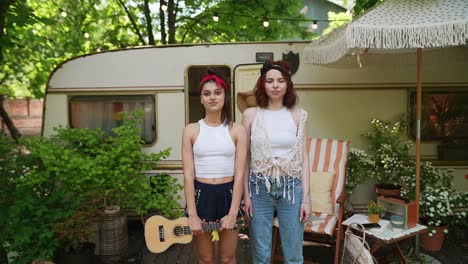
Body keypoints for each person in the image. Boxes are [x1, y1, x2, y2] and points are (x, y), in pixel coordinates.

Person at [242, 60, 311, 264]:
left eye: (280, 81)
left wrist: (306, 199)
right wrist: (246, 195)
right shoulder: (250, 115)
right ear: (262, 84)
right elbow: (244, 158)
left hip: (291, 189)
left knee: (294, 254)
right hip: (258, 189)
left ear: (288, 84)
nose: (275, 85)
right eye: (270, 81)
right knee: (261, 253)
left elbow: (304, 159)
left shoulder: (299, 115)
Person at [182, 69, 247, 264]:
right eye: (207, 93)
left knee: (227, 258)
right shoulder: (191, 130)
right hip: (202, 195)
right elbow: (188, 174)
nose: (212, 97)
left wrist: (234, 212)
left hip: (228, 195)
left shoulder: (238, 130)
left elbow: (240, 173)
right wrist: (192, 215)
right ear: (201, 98)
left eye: (217, 92)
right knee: (206, 258)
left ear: (225, 97)